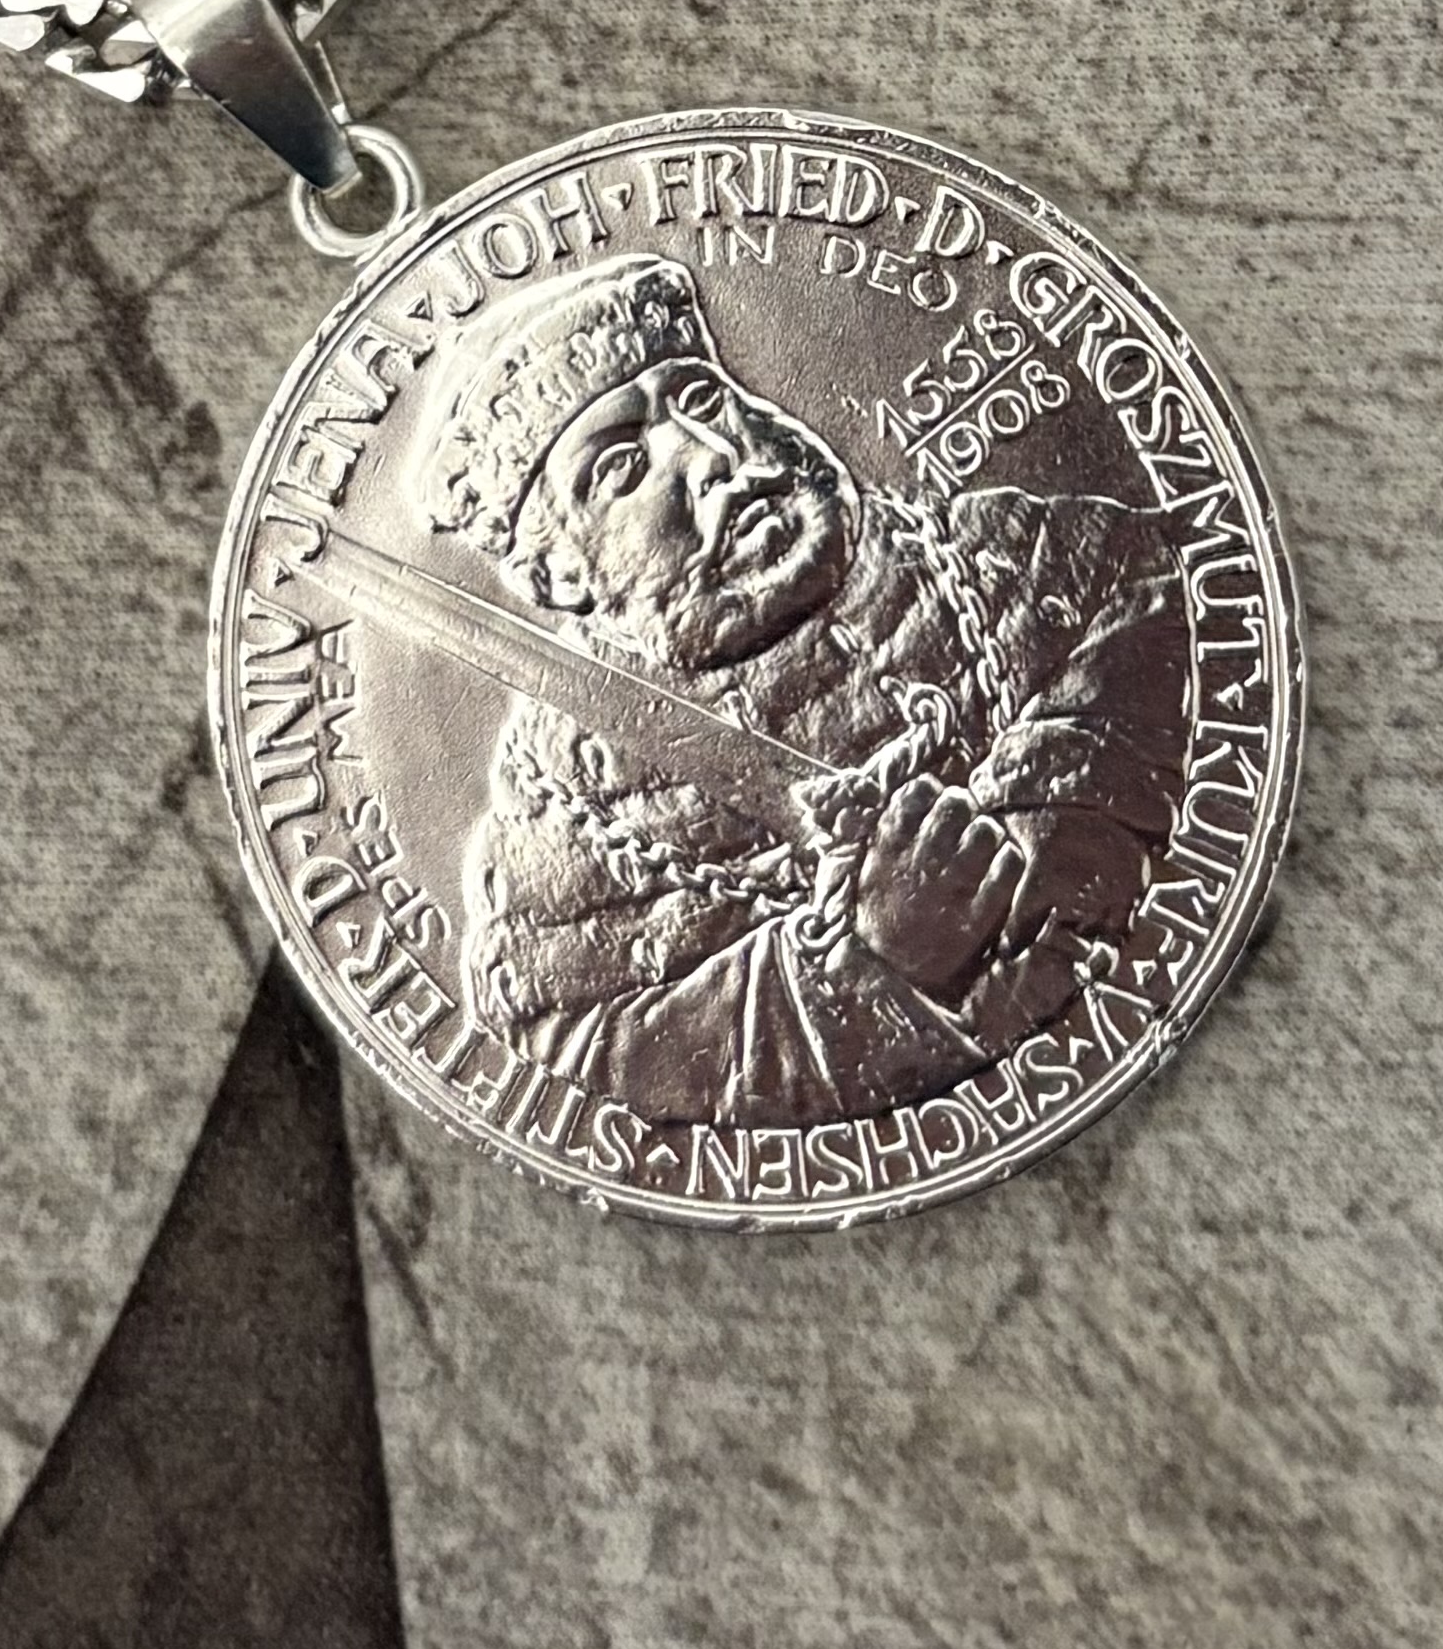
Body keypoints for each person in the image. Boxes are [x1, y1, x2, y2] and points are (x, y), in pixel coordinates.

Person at [417, 253, 1188, 1126]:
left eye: (703, 399)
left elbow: (1163, 633)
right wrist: (863, 961)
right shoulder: (555, 845)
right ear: (558, 576)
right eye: (623, 467)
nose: (717, 455)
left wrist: (1022, 844)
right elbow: (581, 1067)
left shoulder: (1049, 559)